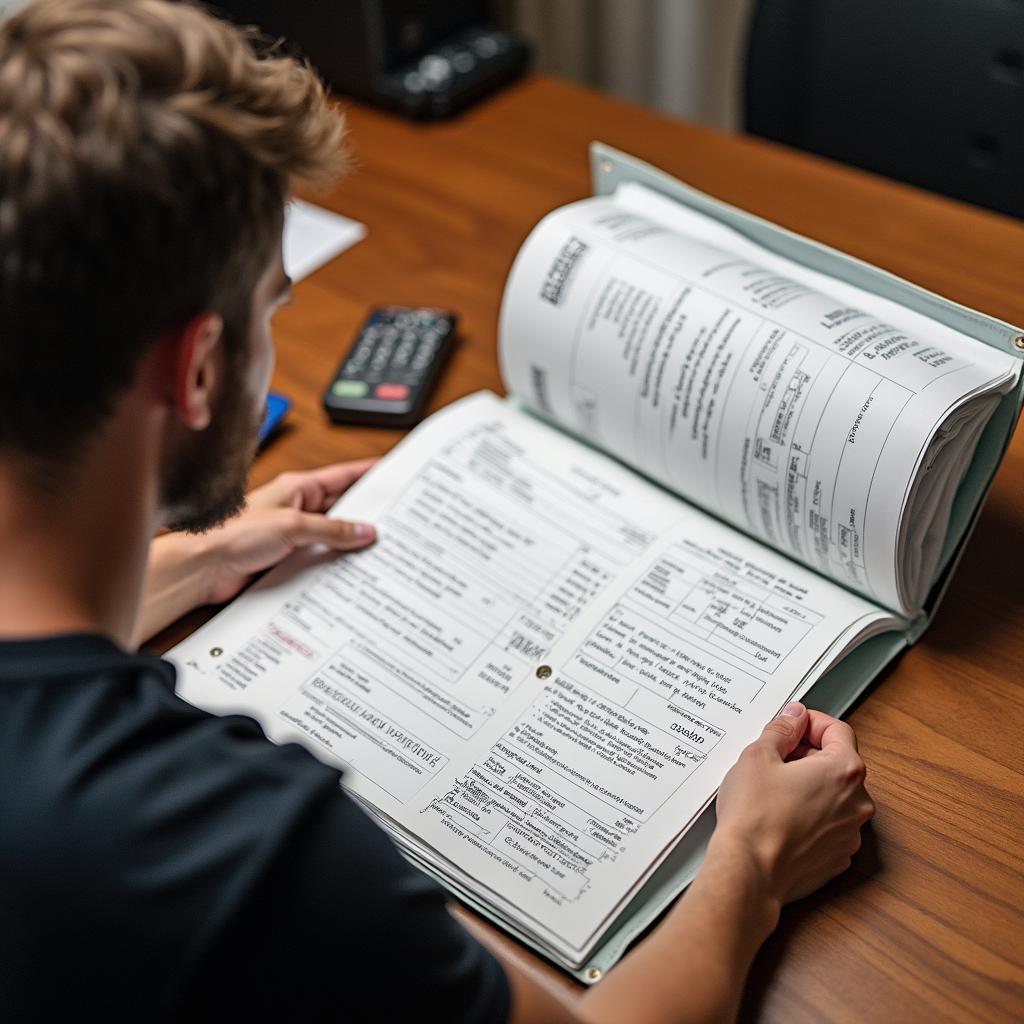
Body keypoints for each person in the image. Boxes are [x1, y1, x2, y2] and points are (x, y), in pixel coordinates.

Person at [0, 1, 875, 1021]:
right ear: (199, 367)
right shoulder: (233, 837)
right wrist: (753, 863)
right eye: (270, 307)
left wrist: (194, 558)